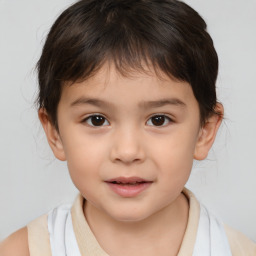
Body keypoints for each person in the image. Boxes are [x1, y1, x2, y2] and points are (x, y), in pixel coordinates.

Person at [0, 0, 255, 255]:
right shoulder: (25, 250)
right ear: (54, 132)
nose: (128, 151)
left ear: (204, 131)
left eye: (158, 120)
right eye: (97, 120)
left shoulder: (238, 251)